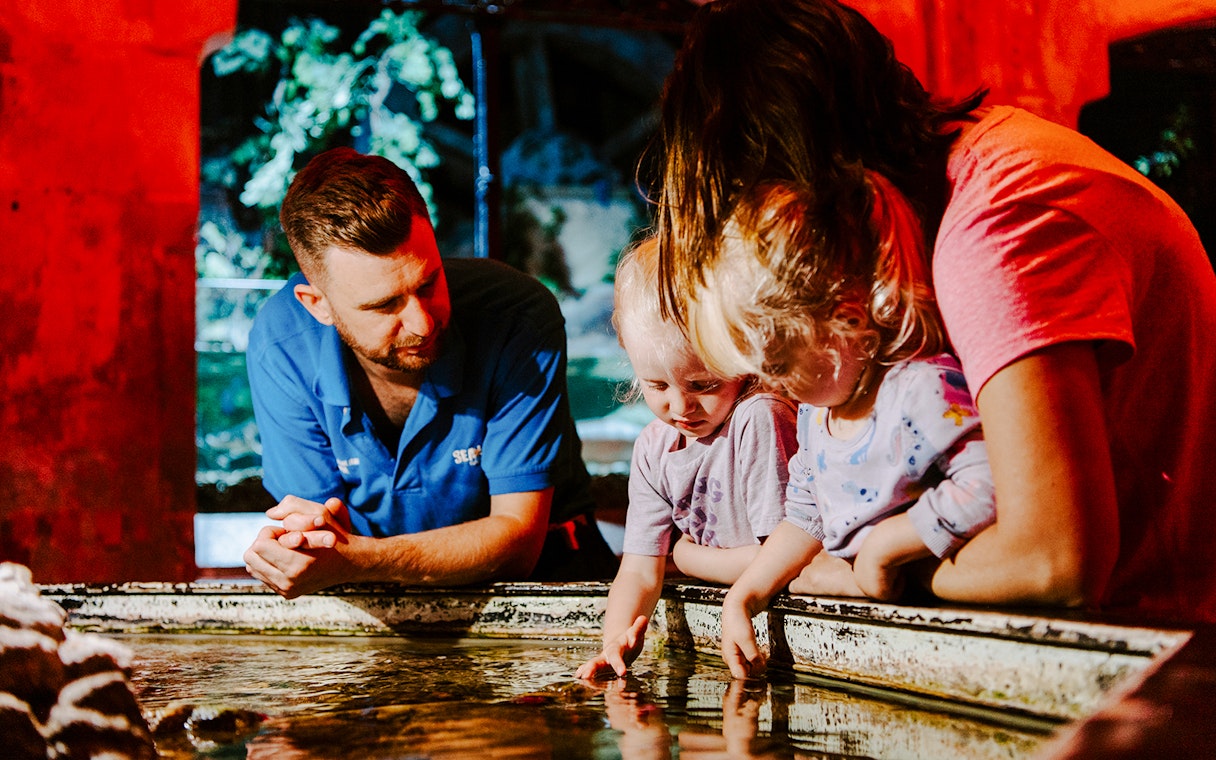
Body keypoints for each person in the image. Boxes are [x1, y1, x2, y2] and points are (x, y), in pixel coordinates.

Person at [653, 0, 1216, 624]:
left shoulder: (997, 220)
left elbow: (1054, 561)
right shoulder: (975, 171)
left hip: (1161, 638)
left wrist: (858, 571)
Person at [241, 147, 618, 598]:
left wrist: (357, 559)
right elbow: (319, 529)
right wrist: (298, 549)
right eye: (384, 305)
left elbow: (518, 541)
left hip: (551, 577)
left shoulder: (518, 315)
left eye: (428, 283)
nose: (422, 322)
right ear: (316, 304)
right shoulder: (281, 342)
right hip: (375, 594)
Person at [690, 175, 997, 678]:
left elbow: (992, 484)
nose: (770, 385)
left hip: (955, 630)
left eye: (779, 364)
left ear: (845, 325)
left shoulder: (920, 390)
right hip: (876, 628)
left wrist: (887, 548)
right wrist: (745, 597)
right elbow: (806, 513)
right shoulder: (816, 413)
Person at [575, 238, 799, 679]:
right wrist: (614, 642)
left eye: (701, 384)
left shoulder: (759, 418)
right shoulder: (654, 447)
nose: (680, 407)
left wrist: (690, 556)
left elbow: (784, 557)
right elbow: (639, 570)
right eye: (657, 386)